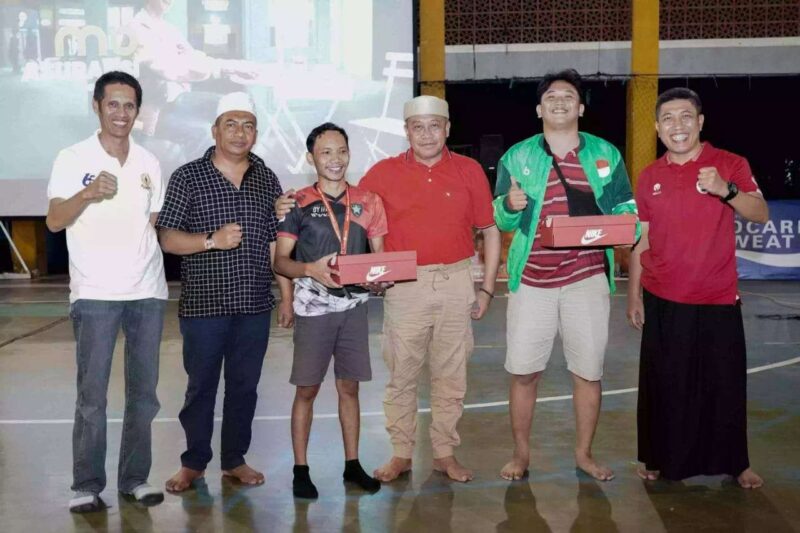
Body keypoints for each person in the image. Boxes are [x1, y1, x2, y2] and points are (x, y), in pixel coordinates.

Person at [278, 95, 501, 483]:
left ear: (447, 128)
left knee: (452, 375)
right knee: (402, 374)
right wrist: (288, 204)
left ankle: (445, 453)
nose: (427, 134)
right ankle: (401, 453)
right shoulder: (382, 174)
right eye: (418, 126)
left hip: (457, 280)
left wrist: (486, 289)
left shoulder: (470, 170)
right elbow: (342, 205)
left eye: (435, 125)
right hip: (405, 285)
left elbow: (490, 230)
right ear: (406, 131)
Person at [493, 69, 638, 482]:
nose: (560, 101)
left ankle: (584, 454)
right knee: (524, 372)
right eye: (552, 96)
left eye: (569, 96)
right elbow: (499, 216)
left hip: (587, 279)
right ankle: (521, 455)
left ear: (581, 107)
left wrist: (629, 226)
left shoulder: (605, 153)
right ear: (539, 108)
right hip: (532, 281)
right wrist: (510, 203)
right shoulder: (517, 156)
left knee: (588, 371)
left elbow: (626, 207)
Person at [627, 87, 767, 488]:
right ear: (656, 127)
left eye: (686, 116)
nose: (678, 126)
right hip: (662, 298)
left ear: (700, 122)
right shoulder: (650, 176)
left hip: (717, 297)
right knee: (664, 386)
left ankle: (736, 463)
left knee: (724, 386)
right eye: (668, 118)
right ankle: (656, 458)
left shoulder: (730, 164)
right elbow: (644, 239)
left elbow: (760, 213)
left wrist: (728, 190)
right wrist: (634, 295)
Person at [157, 92, 293, 492]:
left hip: (253, 304)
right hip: (204, 307)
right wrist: (212, 241)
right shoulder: (188, 176)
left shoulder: (267, 178)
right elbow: (167, 238)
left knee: (245, 388)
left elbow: (275, 241)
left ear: (256, 133)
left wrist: (285, 296)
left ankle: (235, 459)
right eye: (231, 124)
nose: (240, 132)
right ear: (215, 130)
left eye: (248, 124)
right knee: (200, 388)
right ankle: (194, 462)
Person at [46, 71, 167, 512]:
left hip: (147, 293)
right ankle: (87, 484)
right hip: (94, 293)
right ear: (96, 105)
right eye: (112, 104)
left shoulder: (150, 162)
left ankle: (134, 479)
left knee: (144, 394)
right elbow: (54, 220)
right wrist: (88, 192)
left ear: (138, 110)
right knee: (92, 395)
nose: (121, 113)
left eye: (129, 105)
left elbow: (151, 225)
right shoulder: (72, 156)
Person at [274, 123, 384, 498]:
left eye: (342, 151)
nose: (335, 160)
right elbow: (281, 262)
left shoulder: (369, 201)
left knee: (349, 387)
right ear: (311, 158)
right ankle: (300, 470)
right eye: (326, 152)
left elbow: (379, 258)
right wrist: (310, 270)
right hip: (313, 308)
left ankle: (352, 465)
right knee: (306, 390)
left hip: (355, 307)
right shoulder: (298, 203)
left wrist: (378, 278)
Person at [127, 0, 257, 136]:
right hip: (158, 108)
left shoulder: (169, 29)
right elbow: (170, 69)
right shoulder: (136, 28)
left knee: (234, 105)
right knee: (204, 133)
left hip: (179, 99)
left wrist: (234, 67)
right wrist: (222, 70)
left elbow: (194, 58)